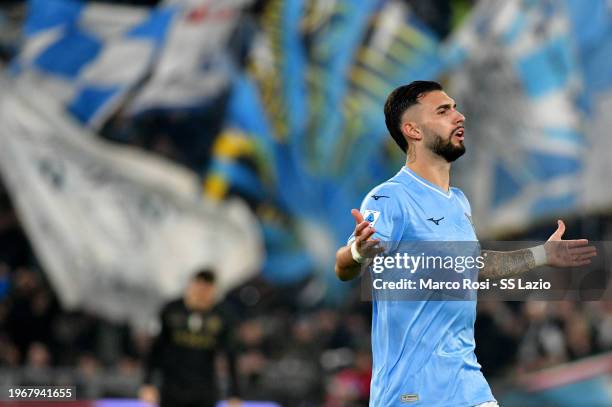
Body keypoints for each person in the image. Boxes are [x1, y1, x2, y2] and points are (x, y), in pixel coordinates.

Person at [334, 81, 597, 406]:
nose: (459, 117)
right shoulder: (390, 198)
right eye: (443, 111)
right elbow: (343, 267)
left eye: (455, 108)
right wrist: (359, 251)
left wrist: (542, 254)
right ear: (413, 130)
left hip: (467, 386)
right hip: (413, 393)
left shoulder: (458, 203)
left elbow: (474, 268)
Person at [139, 270, 241, 407]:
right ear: (191, 286)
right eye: (199, 288)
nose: (202, 294)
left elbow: (230, 355)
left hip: (204, 389)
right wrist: (147, 383)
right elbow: (156, 349)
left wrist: (234, 393)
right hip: (172, 388)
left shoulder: (222, 316)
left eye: (207, 290)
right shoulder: (171, 310)